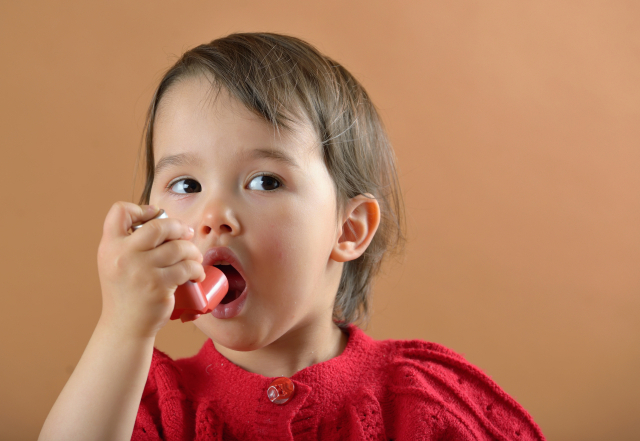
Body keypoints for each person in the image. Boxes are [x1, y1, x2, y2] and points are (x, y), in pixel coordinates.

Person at [39, 33, 545, 440]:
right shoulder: (133, 401)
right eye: (186, 184)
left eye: (265, 181)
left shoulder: (429, 402)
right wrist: (121, 328)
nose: (215, 215)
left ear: (348, 229)